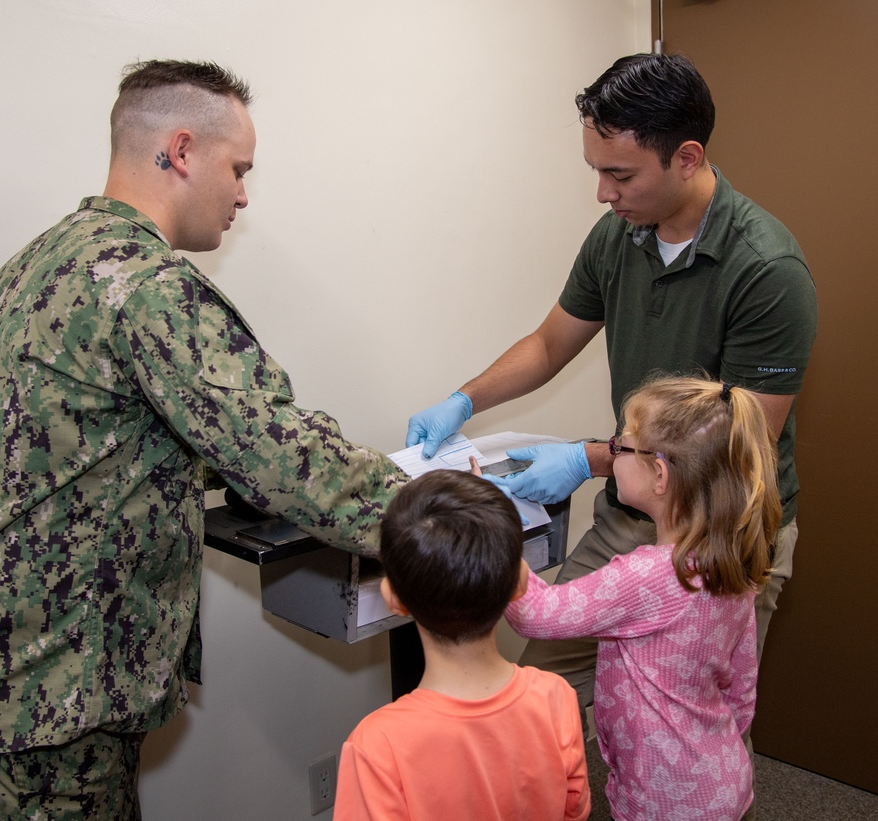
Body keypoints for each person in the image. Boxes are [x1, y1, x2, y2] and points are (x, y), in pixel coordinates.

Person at [0, 59, 409, 819]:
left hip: (0, 682)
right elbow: (284, 458)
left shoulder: (30, 269)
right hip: (50, 710)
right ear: (181, 151)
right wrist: (441, 512)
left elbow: (96, 447)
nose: (244, 193)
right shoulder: (146, 286)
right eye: (238, 168)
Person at [405, 52, 817, 721]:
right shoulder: (618, 237)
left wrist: (587, 458)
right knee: (539, 700)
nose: (603, 192)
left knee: (695, 725)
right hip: (633, 512)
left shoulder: (767, 269)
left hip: (721, 529)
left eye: (618, 174)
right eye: (598, 170)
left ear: (686, 158)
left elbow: (738, 446)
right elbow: (547, 345)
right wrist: (464, 399)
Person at [506, 376, 780, 819]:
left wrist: (495, 531)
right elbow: (742, 690)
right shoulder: (731, 567)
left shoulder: (646, 576)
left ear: (660, 475)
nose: (611, 454)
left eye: (620, 447)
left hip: (662, 799)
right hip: (722, 776)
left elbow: (537, 614)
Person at [334, 470, 590, 821]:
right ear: (521, 582)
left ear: (392, 599)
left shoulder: (377, 745)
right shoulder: (556, 697)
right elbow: (572, 810)